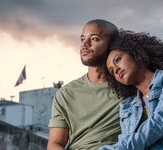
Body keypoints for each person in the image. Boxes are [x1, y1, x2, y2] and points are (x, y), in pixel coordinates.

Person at [99, 30, 163, 150]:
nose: (116, 70)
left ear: (136, 53)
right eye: (112, 71)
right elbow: (126, 142)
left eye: (117, 60)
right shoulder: (127, 106)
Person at [47, 19, 121, 150]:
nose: (85, 44)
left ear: (112, 45)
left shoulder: (129, 87)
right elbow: (55, 144)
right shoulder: (66, 93)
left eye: (95, 39)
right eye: (82, 39)